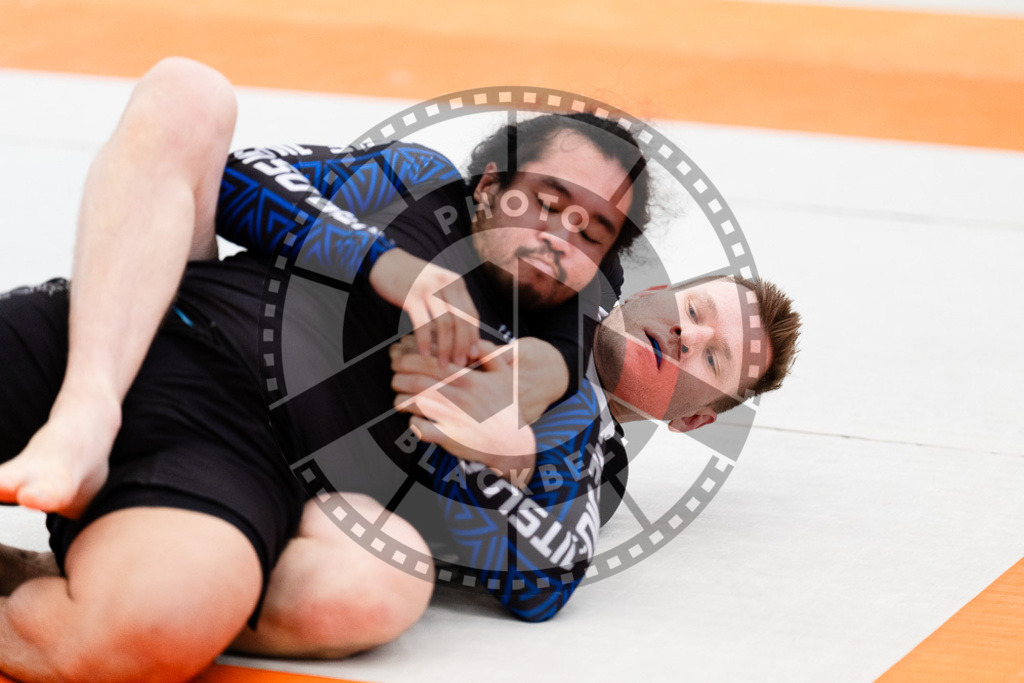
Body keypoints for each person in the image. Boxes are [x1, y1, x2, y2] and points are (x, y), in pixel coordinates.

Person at [0, 59, 799, 682]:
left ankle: (129, 571)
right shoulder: (420, 185)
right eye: (695, 314)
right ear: (491, 187)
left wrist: (495, 456)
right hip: (156, 328)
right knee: (187, 94)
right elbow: (241, 175)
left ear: (695, 416)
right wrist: (393, 268)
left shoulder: (579, 429)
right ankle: (86, 415)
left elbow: (546, 576)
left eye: (713, 358)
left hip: (235, 458)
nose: (685, 338)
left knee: (374, 576)